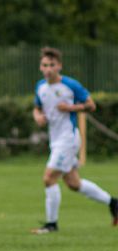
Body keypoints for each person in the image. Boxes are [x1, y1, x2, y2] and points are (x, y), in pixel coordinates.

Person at [31, 46, 118, 233]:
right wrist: (37, 116)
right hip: (55, 139)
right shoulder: (40, 87)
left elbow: (91, 105)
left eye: (51, 65)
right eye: (44, 65)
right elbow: (37, 107)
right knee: (73, 183)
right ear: (40, 67)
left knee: (48, 178)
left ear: (59, 66)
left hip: (68, 138)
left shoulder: (70, 85)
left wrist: (70, 108)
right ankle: (113, 203)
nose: (48, 69)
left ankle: (51, 224)